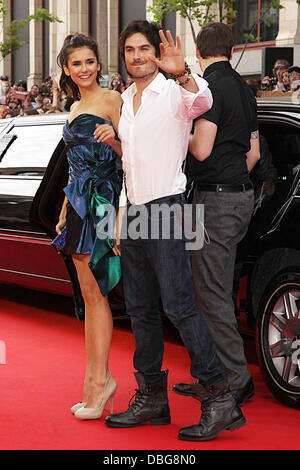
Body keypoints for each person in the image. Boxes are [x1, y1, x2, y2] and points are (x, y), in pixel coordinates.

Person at [94, 19, 246, 442]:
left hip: (170, 208)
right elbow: (131, 165)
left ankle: (219, 396)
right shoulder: (125, 100)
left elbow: (202, 100)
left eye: (145, 49)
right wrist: (121, 218)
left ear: (156, 54)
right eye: (130, 50)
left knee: (180, 305)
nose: (138, 56)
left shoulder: (175, 91)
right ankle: (152, 397)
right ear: (123, 56)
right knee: (139, 307)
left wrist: (180, 72)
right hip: (136, 210)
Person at [173, 22, 260, 407]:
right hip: (240, 198)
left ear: (198, 51)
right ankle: (215, 376)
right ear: (230, 48)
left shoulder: (210, 88)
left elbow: (202, 150)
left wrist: (178, 133)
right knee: (217, 290)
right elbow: (253, 155)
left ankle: (233, 380)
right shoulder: (245, 89)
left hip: (212, 202)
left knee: (208, 294)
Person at [55, 33, 123, 420]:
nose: (85, 68)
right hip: (79, 206)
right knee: (87, 294)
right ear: (66, 68)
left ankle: (100, 385)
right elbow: (74, 164)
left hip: (103, 205)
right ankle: (94, 382)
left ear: (99, 63)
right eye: (76, 63)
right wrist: (65, 205)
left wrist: (117, 216)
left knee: (98, 293)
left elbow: (132, 155)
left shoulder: (112, 100)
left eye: (90, 61)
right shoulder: (75, 105)